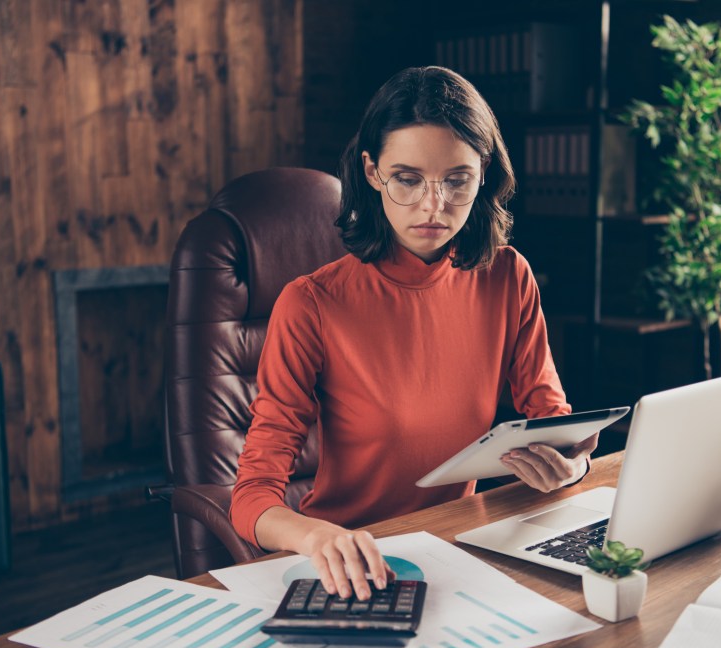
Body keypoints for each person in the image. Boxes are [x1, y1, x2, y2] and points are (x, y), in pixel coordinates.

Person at [230, 66, 597, 601]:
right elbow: (250, 496)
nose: (434, 205)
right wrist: (317, 537)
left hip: (456, 549)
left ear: (483, 173)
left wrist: (570, 465)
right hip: (350, 563)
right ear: (373, 172)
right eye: (406, 178)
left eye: (457, 180)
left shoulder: (507, 277)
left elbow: (556, 425)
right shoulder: (310, 303)